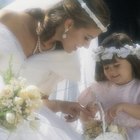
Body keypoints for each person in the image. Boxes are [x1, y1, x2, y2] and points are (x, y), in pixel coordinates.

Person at [0, 0, 110, 139]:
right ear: (69, 24)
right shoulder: (11, 21)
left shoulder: (62, 59)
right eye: (86, 37)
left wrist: (61, 105)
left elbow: (33, 105)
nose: (87, 46)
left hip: (14, 120)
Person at [78, 33, 140, 140]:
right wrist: (90, 109)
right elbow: (81, 108)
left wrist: (123, 106)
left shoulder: (137, 87)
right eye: (106, 67)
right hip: (107, 133)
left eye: (116, 65)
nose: (111, 71)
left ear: (132, 62)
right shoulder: (100, 88)